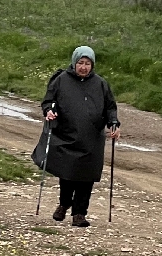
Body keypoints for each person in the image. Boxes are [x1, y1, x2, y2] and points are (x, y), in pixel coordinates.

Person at [34, 46, 120, 227]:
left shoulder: (101, 84)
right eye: (80, 63)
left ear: (92, 65)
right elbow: (48, 101)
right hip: (66, 134)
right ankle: (64, 203)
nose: (84, 67)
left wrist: (113, 123)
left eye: (87, 63)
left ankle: (79, 213)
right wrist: (49, 111)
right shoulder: (61, 80)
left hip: (92, 138)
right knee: (67, 173)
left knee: (86, 176)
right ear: (74, 63)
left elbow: (110, 107)